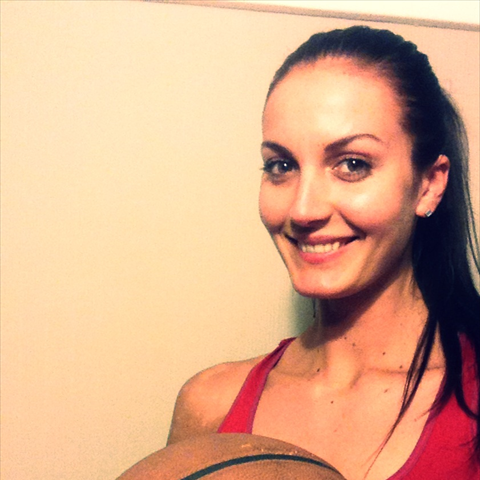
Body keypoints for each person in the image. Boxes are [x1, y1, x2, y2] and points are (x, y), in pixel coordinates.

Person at [167, 26, 480, 480]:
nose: (303, 209)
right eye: (281, 166)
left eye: (352, 164)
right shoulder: (209, 407)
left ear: (429, 184)